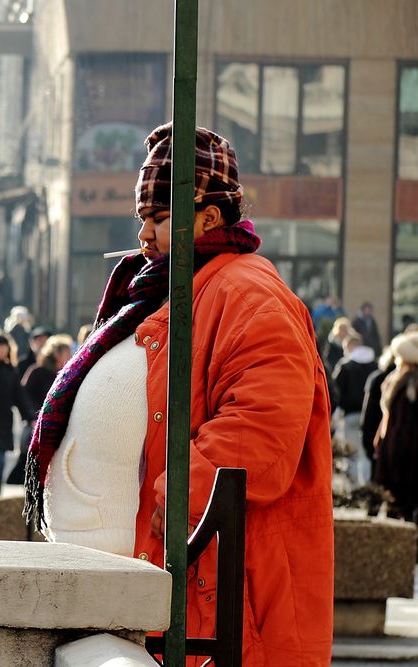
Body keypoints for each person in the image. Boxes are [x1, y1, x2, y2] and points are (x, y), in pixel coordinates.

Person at [27, 124, 333, 664]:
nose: (144, 235)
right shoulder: (174, 287)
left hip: (203, 590)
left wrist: (176, 492)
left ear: (209, 218)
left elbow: (264, 427)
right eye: (142, 219)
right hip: (137, 598)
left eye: (160, 219)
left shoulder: (250, 293)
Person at [7, 334, 74, 486]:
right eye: (66, 351)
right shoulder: (37, 371)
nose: (70, 355)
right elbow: (24, 396)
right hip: (39, 422)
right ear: (56, 353)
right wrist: (33, 416)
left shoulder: (67, 374)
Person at [0, 330, 33, 497]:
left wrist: (31, 417)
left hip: (3, 422)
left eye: (4, 346)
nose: (1, 350)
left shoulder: (11, 371)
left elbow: (19, 397)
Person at [373, 332, 418, 520]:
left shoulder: (409, 382)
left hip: (403, 452)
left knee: (401, 505)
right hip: (399, 449)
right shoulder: (400, 380)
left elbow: (401, 423)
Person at [332, 333, 379, 485]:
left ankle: (352, 489)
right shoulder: (375, 365)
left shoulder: (345, 366)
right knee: (366, 454)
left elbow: (336, 391)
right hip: (372, 416)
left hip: (350, 414)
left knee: (351, 454)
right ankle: (366, 486)